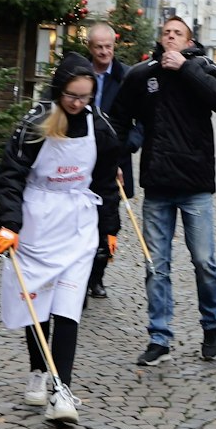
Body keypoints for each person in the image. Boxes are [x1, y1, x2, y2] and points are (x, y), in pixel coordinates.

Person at [0, 57, 121, 427]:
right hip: (38, 219)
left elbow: (107, 184)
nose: (78, 103)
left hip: (78, 221)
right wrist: (10, 225)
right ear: (59, 90)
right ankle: (38, 369)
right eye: (71, 96)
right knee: (38, 303)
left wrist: (110, 230)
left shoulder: (101, 127)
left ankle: (62, 389)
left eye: (85, 96)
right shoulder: (35, 123)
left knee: (68, 306)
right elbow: (11, 175)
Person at [113, 15, 216, 365]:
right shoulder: (142, 74)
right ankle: (159, 336)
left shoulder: (203, 67)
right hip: (158, 183)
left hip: (195, 184)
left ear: (188, 41)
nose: (170, 38)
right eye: (166, 33)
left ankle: (211, 324)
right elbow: (119, 118)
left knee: (204, 262)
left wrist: (186, 68)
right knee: (156, 265)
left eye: (177, 34)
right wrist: (119, 158)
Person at [84, 23, 132, 299]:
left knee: (108, 219)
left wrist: (126, 151)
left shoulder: (127, 77)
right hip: (82, 153)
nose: (104, 52)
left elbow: (141, 123)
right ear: (90, 48)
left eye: (108, 47)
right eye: (99, 47)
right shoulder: (81, 74)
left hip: (115, 158)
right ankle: (81, 273)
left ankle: (98, 276)